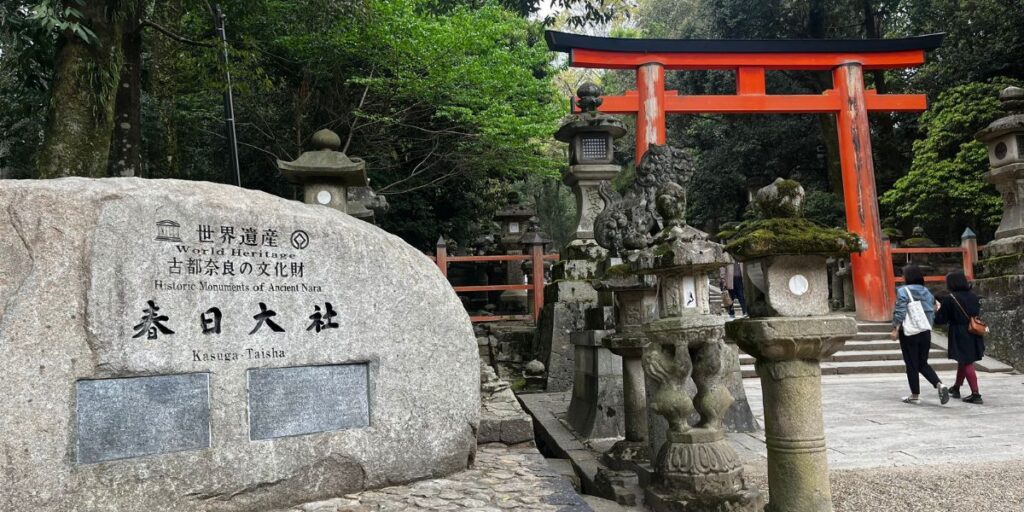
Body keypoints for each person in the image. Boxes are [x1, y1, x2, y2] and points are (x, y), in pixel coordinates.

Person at [891, 264, 949, 405]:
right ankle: (939, 384)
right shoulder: (926, 291)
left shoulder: (903, 291)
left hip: (909, 332)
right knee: (922, 362)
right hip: (925, 330)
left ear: (908, 277)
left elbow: (901, 311)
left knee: (911, 363)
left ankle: (915, 394)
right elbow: (933, 309)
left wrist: (895, 328)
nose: (902, 277)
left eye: (903, 275)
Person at [934, 270, 986, 404]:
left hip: (959, 332)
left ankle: (976, 394)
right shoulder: (973, 296)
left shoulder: (950, 299)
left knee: (966, 361)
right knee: (963, 360)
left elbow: (940, 320)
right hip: (973, 330)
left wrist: (938, 309)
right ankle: (956, 387)